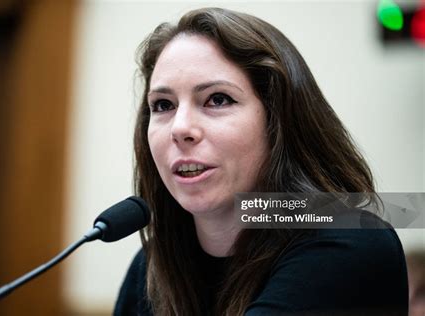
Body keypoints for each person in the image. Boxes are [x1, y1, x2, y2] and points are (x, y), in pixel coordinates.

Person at [114, 7, 409, 315]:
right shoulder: (150, 270)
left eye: (217, 99)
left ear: (277, 121)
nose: (180, 128)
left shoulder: (349, 240)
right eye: (163, 105)